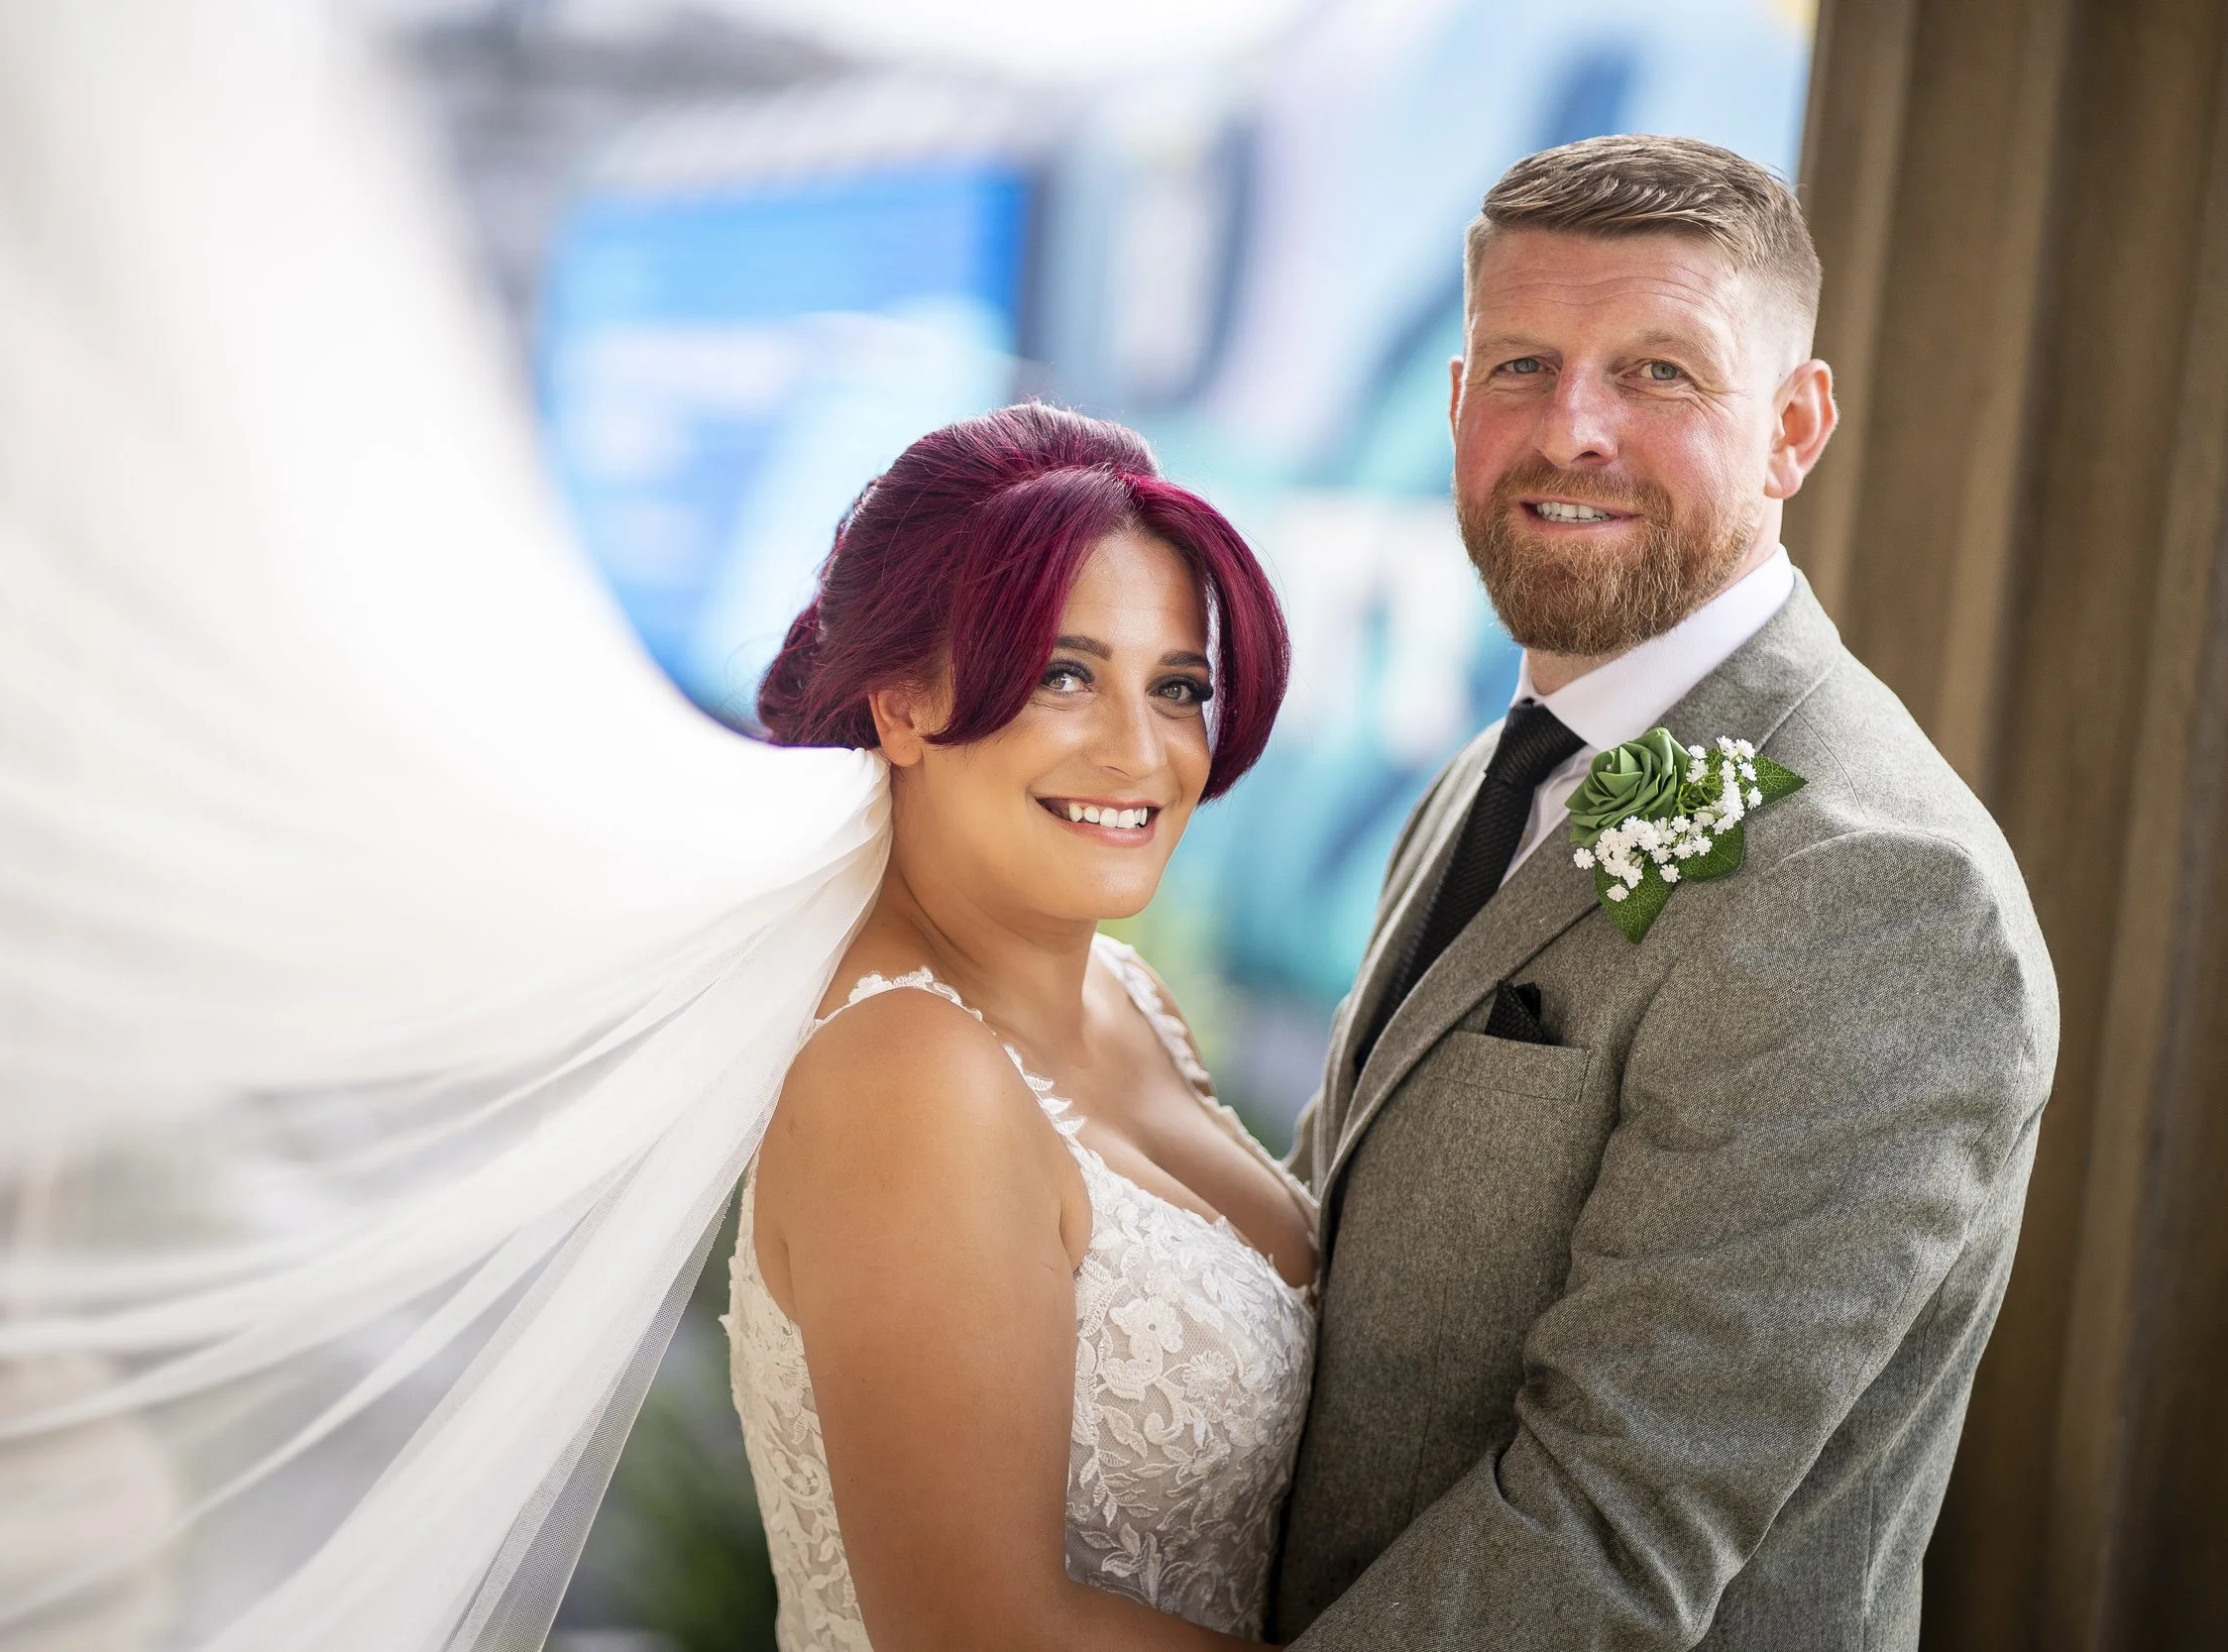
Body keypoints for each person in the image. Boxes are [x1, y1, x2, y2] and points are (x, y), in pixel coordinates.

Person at [1271, 136, 2060, 1649]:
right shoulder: (1487, 780)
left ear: (1794, 426)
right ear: (1452, 407)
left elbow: (1606, 1536)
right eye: (1520, 364)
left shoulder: (1883, 892)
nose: (1571, 427)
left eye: (1658, 373)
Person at [727, 403, 1315, 1650]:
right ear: (898, 705)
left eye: (1177, 687)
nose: (1138, 750)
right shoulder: (905, 1072)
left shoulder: (1128, 996)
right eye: (1064, 675)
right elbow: (978, 1632)